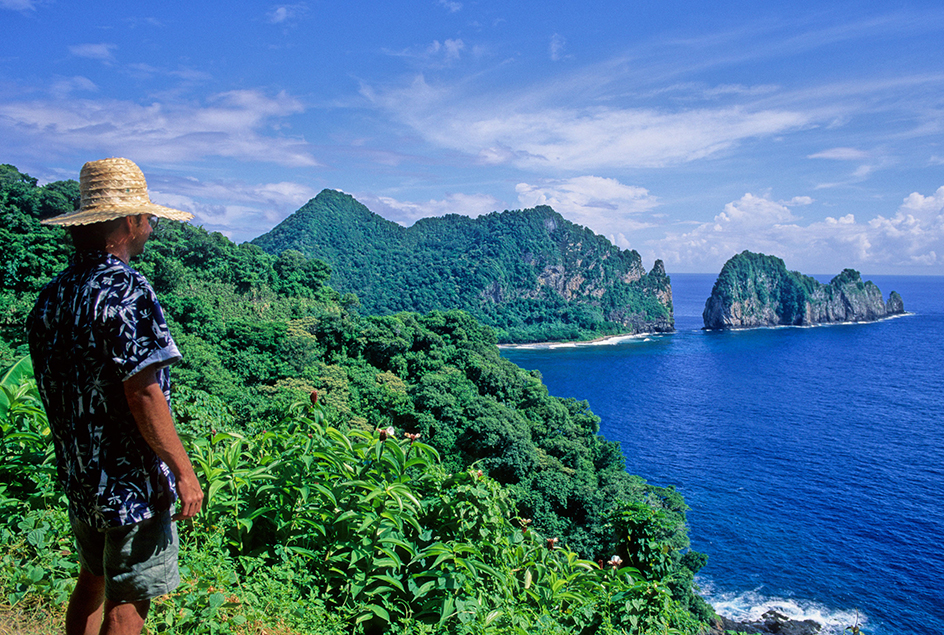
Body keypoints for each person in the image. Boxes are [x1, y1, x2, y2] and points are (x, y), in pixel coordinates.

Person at [27, 157, 204, 635]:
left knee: (93, 576)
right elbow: (144, 394)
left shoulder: (54, 294)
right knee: (130, 596)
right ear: (128, 222)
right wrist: (183, 472)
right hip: (130, 481)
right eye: (147, 218)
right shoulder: (127, 290)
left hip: (80, 472)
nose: (151, 227)